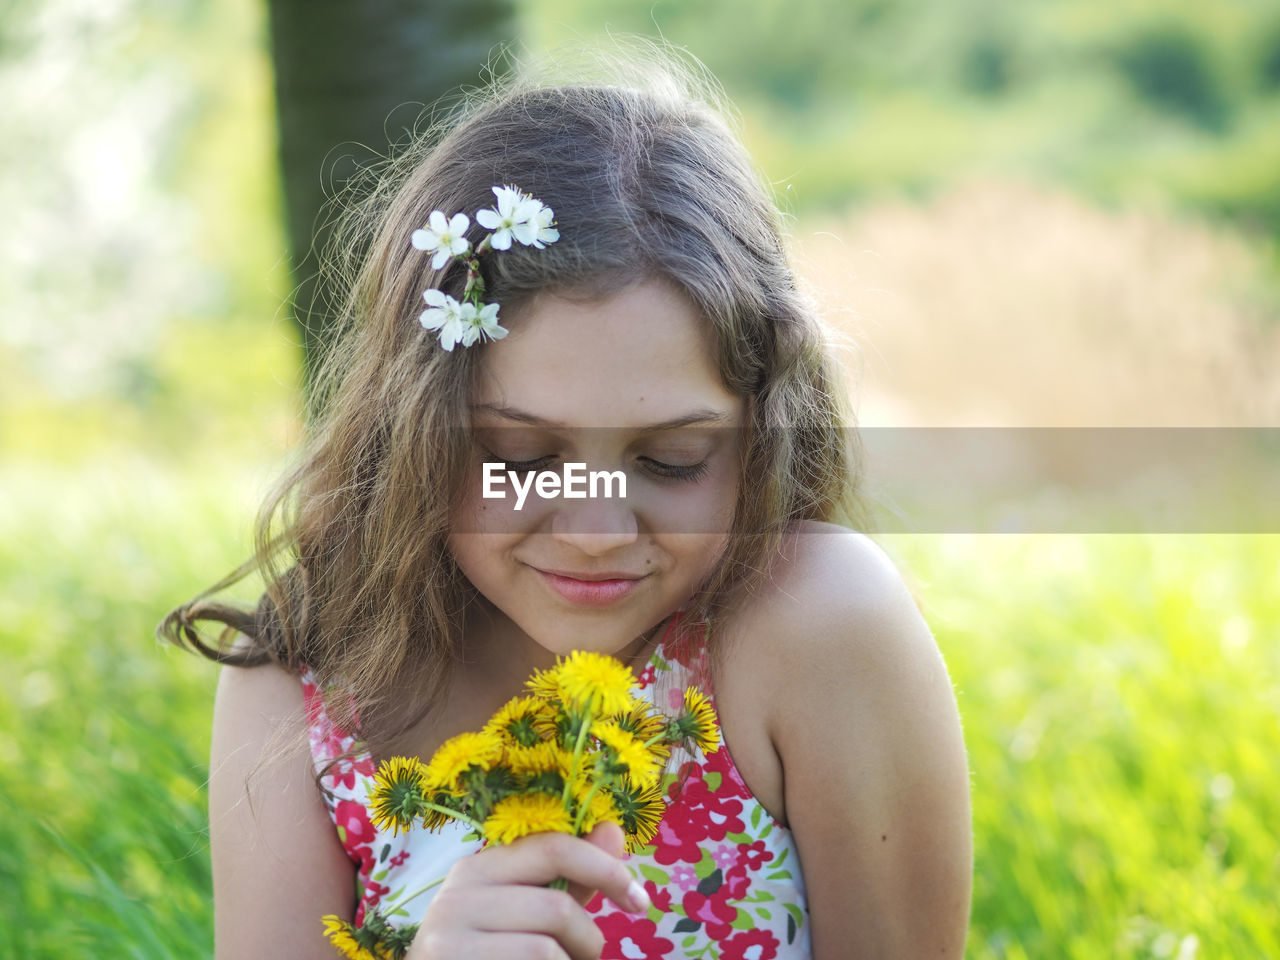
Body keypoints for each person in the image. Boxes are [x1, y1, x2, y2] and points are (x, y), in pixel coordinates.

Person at [161, 43, 971, 960]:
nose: (594, 530)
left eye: (671, 460)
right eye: (520, 454)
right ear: (416, 427)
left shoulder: (814, 624)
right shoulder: (308, 680)